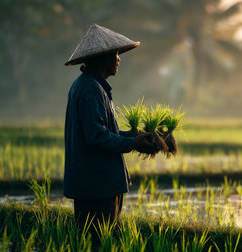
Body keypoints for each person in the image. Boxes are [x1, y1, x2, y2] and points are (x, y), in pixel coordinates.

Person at [63, 24, 156, 246]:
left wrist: (132, 136)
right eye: (115, 54)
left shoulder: (93, 87)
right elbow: (96, 138)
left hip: (97, 185)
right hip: (96, 187)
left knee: (100, 242)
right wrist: (133, 142)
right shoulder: (90, 90)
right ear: (102, 58)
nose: (118, 59)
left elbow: (102, 133)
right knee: (99, 242)